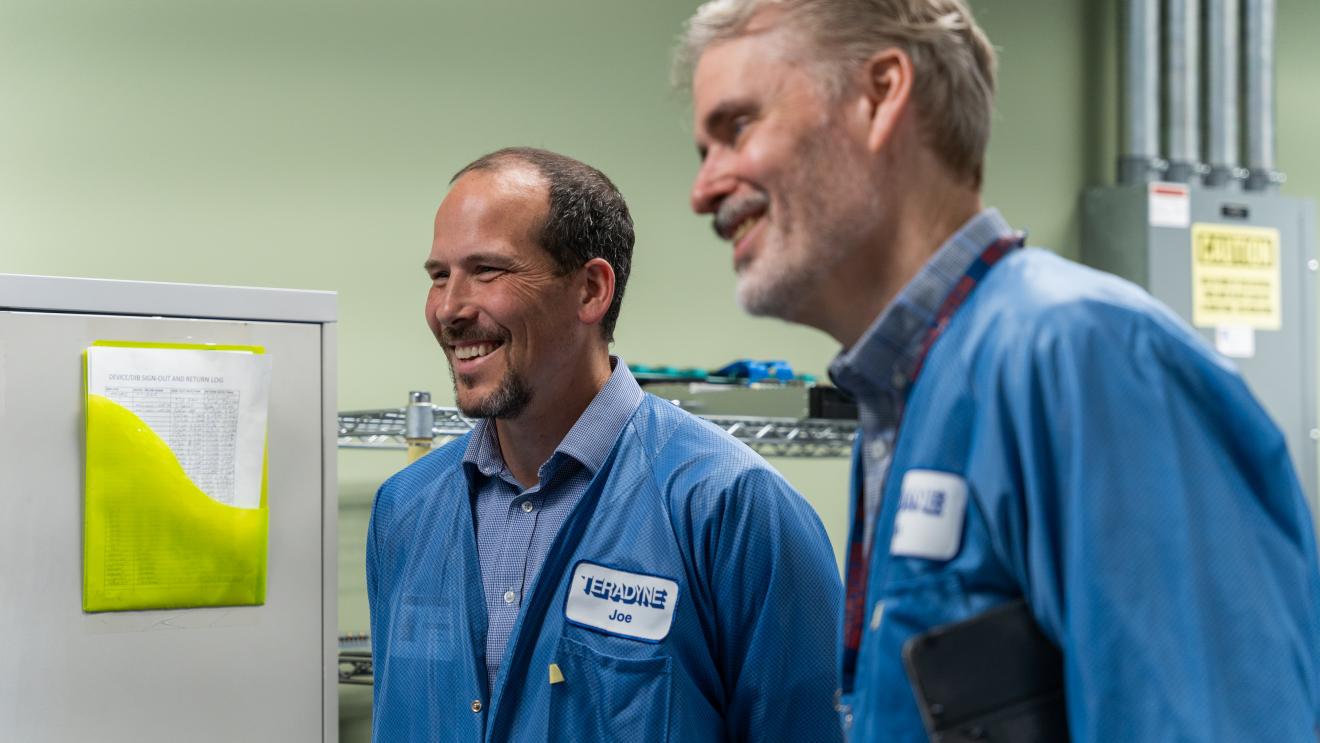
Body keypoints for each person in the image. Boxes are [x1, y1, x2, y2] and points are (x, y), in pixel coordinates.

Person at [676, 1, 1320, 740]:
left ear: (881, 94)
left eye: (736, 128)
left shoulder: (1085, 355)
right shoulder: (906, 397)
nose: (705, 190)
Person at [366, 147, 844, 742]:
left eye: (487, 271)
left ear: (591, 290)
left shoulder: (732, 509)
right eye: (440, 276)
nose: (450, 309)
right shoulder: (404, 511)